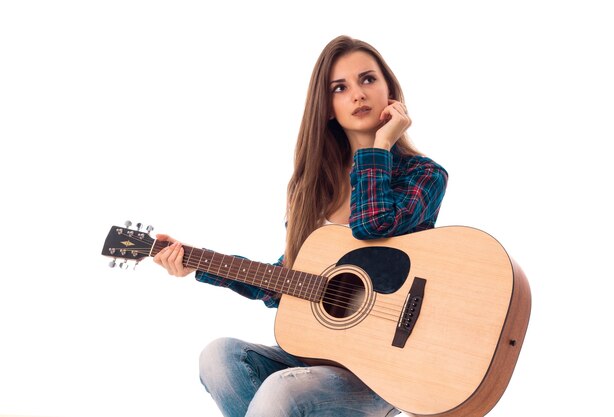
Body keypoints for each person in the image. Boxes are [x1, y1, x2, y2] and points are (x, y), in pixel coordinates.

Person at [154, 35, 448, 417]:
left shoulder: (423, 174)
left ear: (390, 90)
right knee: (218, 357)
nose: (357, 94)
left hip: (385, 369)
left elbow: (371, 225)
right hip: (317, 356)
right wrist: (198, 262)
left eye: (368, 80)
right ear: (327, 107)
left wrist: (379, 145)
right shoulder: (309, 191)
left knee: (281, 391)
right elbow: (287, 282)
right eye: (339, 88)